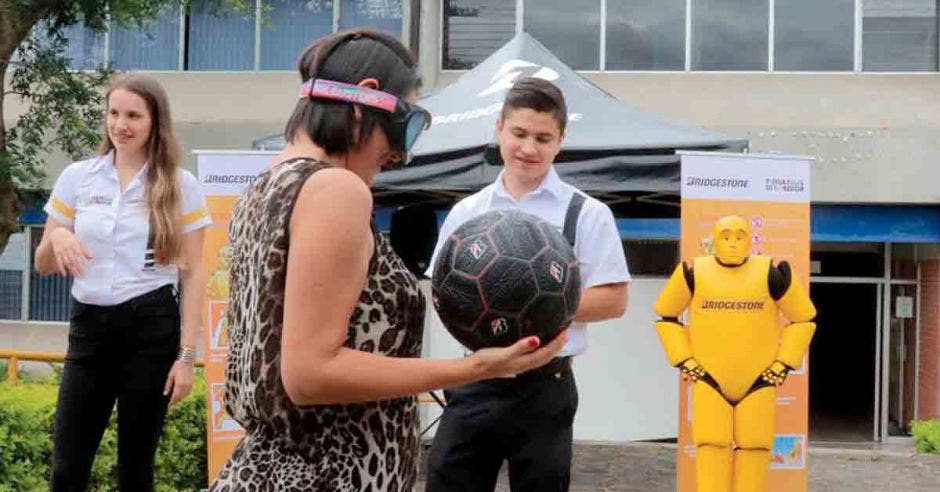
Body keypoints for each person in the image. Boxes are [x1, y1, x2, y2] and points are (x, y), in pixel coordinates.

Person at [209, 30, 566, 491]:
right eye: (407, 124)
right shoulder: (335, 189)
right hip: (327, 477)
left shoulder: (269, 183)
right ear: (368, 99)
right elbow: (310, 374)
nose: (399, 153)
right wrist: (478, 368)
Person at [424, 77, 632, 492]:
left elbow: (614, 300)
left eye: (543, 137)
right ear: (499, 128)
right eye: (519, 133)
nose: (529, 148)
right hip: (474, 377)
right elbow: (442, 292)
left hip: (546, 385)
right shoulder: (468, 211)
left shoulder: (587, 214)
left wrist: (535, 304)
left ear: (561, 141)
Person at [36, 73, 210, 491]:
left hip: (151, 328)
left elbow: (193, 274)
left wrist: (186, 357)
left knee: (135, 468)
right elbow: (43, 263)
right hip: (89, 330)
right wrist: (59, 235)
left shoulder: (180, 186)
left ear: (155, 122)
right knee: (67, 467)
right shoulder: (79, 177)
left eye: (133, 115)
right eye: (114, 113)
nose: (121, 125)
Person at [653, 215, 816, 492]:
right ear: (715, 240)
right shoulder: (693, 273)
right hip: (708, 378)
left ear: (749, 240)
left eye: (739, 237)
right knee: (711, 446)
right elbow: (666, 316)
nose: (732, 244)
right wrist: (684, 360)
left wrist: (783, 364)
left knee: (754, 447)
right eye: (725, 237)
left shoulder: (771, 274)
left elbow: (804, 319)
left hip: (759, 380)